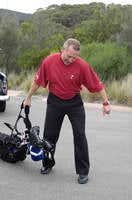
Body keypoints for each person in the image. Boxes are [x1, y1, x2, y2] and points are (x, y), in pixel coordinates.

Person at [24, 38, 111, 184]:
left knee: (80, 135)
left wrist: (106, 102)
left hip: (74, 103)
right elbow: (38, 81)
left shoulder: (82, 66)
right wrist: (28, 98)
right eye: (68, 56)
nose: (71, 60)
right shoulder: (49, 61)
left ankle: (83, 172)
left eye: (74, 57)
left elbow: (97, 84)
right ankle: (47, 164)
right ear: (62, 50)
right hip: (55, 101)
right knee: (49, 136)